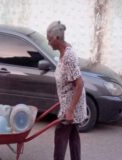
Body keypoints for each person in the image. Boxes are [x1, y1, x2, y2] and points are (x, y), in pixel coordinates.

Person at [46, 21, 87, 160]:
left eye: (49, 39)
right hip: (69, 103)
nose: (48, 43)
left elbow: (79, 83)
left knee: (60, 137)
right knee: (73, 136)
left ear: (57, 38)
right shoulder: (65, 51)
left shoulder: (68, 56)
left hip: (71, 107)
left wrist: (70, 110)